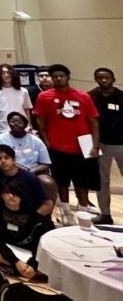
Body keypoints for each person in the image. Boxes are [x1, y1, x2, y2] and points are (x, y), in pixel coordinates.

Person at [34, 63, 100, 225]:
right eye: (54, 76)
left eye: (61, 75)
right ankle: (66, 212)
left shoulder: (83, 96)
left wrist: (95, 145)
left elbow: (93, 122)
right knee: (61, 182)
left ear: (68, 77)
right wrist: (46, 142)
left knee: (82, 182)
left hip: (82, 146)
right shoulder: (45, 97)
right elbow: (40, 122)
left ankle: (83, 212)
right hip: (57, 147)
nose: (58, 78)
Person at [0, 181, 55, 279]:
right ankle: (19, 270)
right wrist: (16, 262)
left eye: (15, 193)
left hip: (31, 252)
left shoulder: (34, 212)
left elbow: (44, 242)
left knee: (51, 265)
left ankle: (19, 271)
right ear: (1, 195)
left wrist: (33, 265)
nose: (10, 196)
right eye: (6, 193)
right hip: (10, 249)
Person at [0, 112, 56, 203]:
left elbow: (46, 163)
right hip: (9, 171)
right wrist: (21, 172)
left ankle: (45, 215)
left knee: (48, 183)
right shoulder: (0, 139)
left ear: (26, 124)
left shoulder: (36, 140)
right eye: (12, 121)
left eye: (19, 122)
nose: (15, 124)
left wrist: (30, 172)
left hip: (35, 172)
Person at [91, 67, 123, 224]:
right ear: (96, 79)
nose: (104, 80)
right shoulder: (91, 97)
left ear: (113, 79)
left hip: (120, 144)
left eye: (107, 78)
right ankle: (105, 214)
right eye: (100, 78)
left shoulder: (121, 97)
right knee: (102, 180)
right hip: (100, 145)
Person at [0, 64, 33, 135]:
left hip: (23, 129)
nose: (6, 75)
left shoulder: (23, 91)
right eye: (3, 73)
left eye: (8, 73)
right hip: (3, 129)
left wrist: (30, 126)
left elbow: (26, 110)